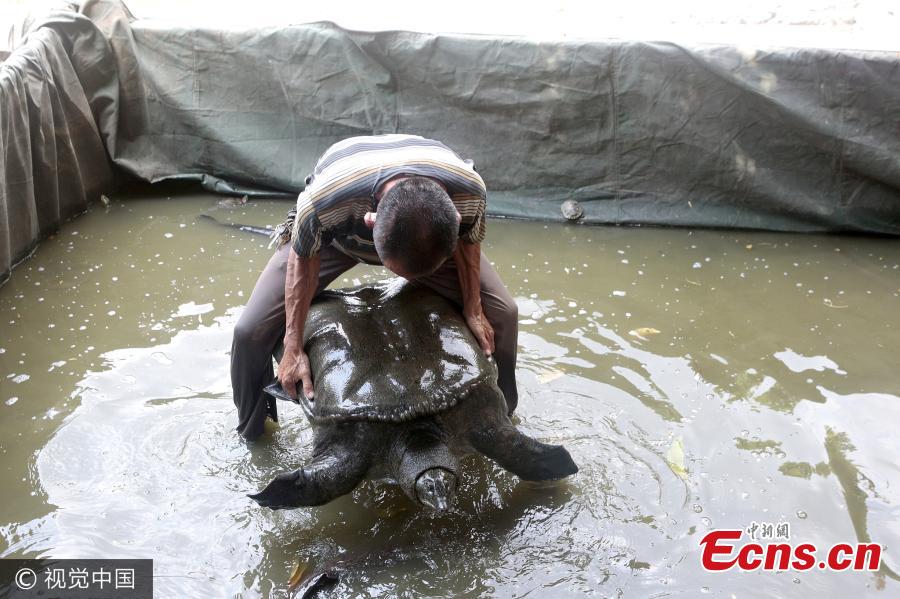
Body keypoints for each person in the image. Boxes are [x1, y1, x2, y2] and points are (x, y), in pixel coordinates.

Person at [231, 134, 518, 440]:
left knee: (504, 313)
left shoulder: (469, 190)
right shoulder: (324, 201)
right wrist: (293, 346)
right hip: (338, 237)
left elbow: (470, 245)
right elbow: (303, 262)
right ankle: (253, 431)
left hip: (430, 240)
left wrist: (473, 307)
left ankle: (503, 419)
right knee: (249, 332)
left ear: (455, 218)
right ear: (371, 221)